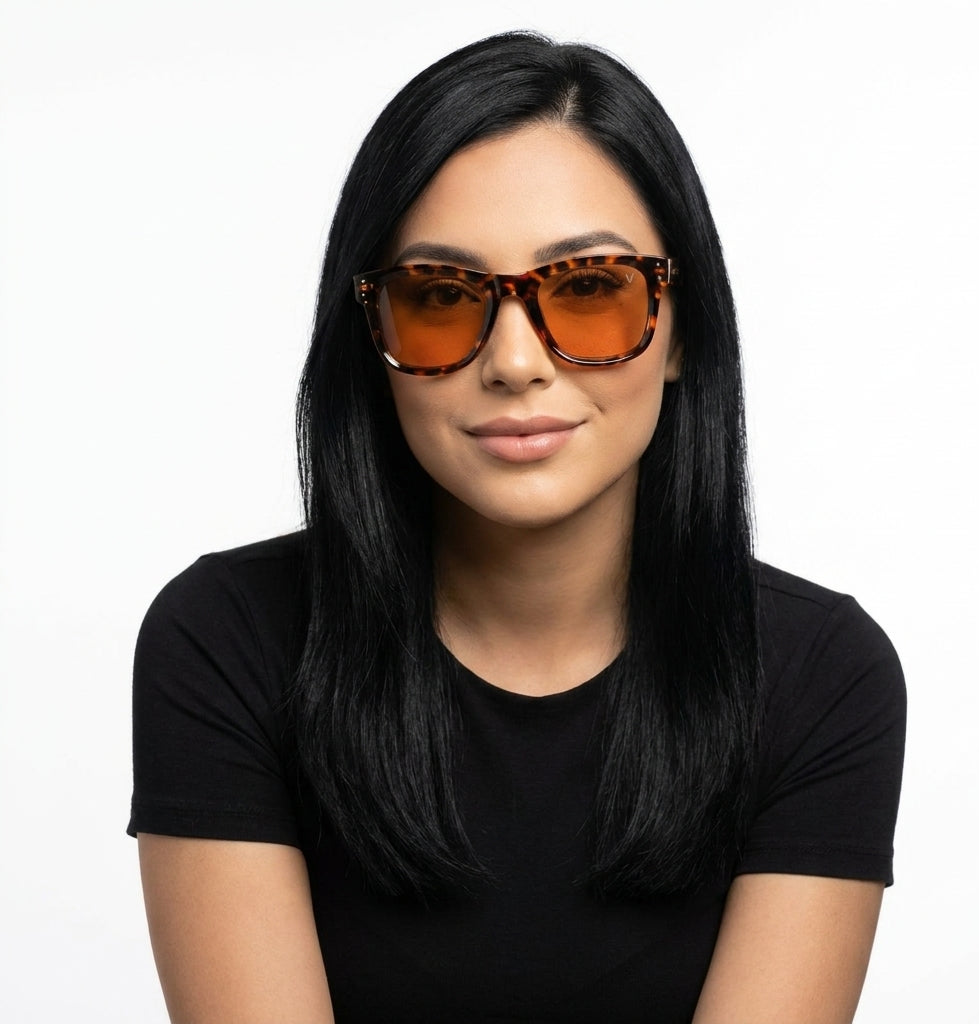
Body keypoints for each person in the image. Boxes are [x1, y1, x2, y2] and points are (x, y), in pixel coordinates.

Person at [128, 30, 906, 1024]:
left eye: (588, 288)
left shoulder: (819, 674)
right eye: (438, 296)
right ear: (370, 338)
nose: (514, 362)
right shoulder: (228, 639)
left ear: (683, 332)